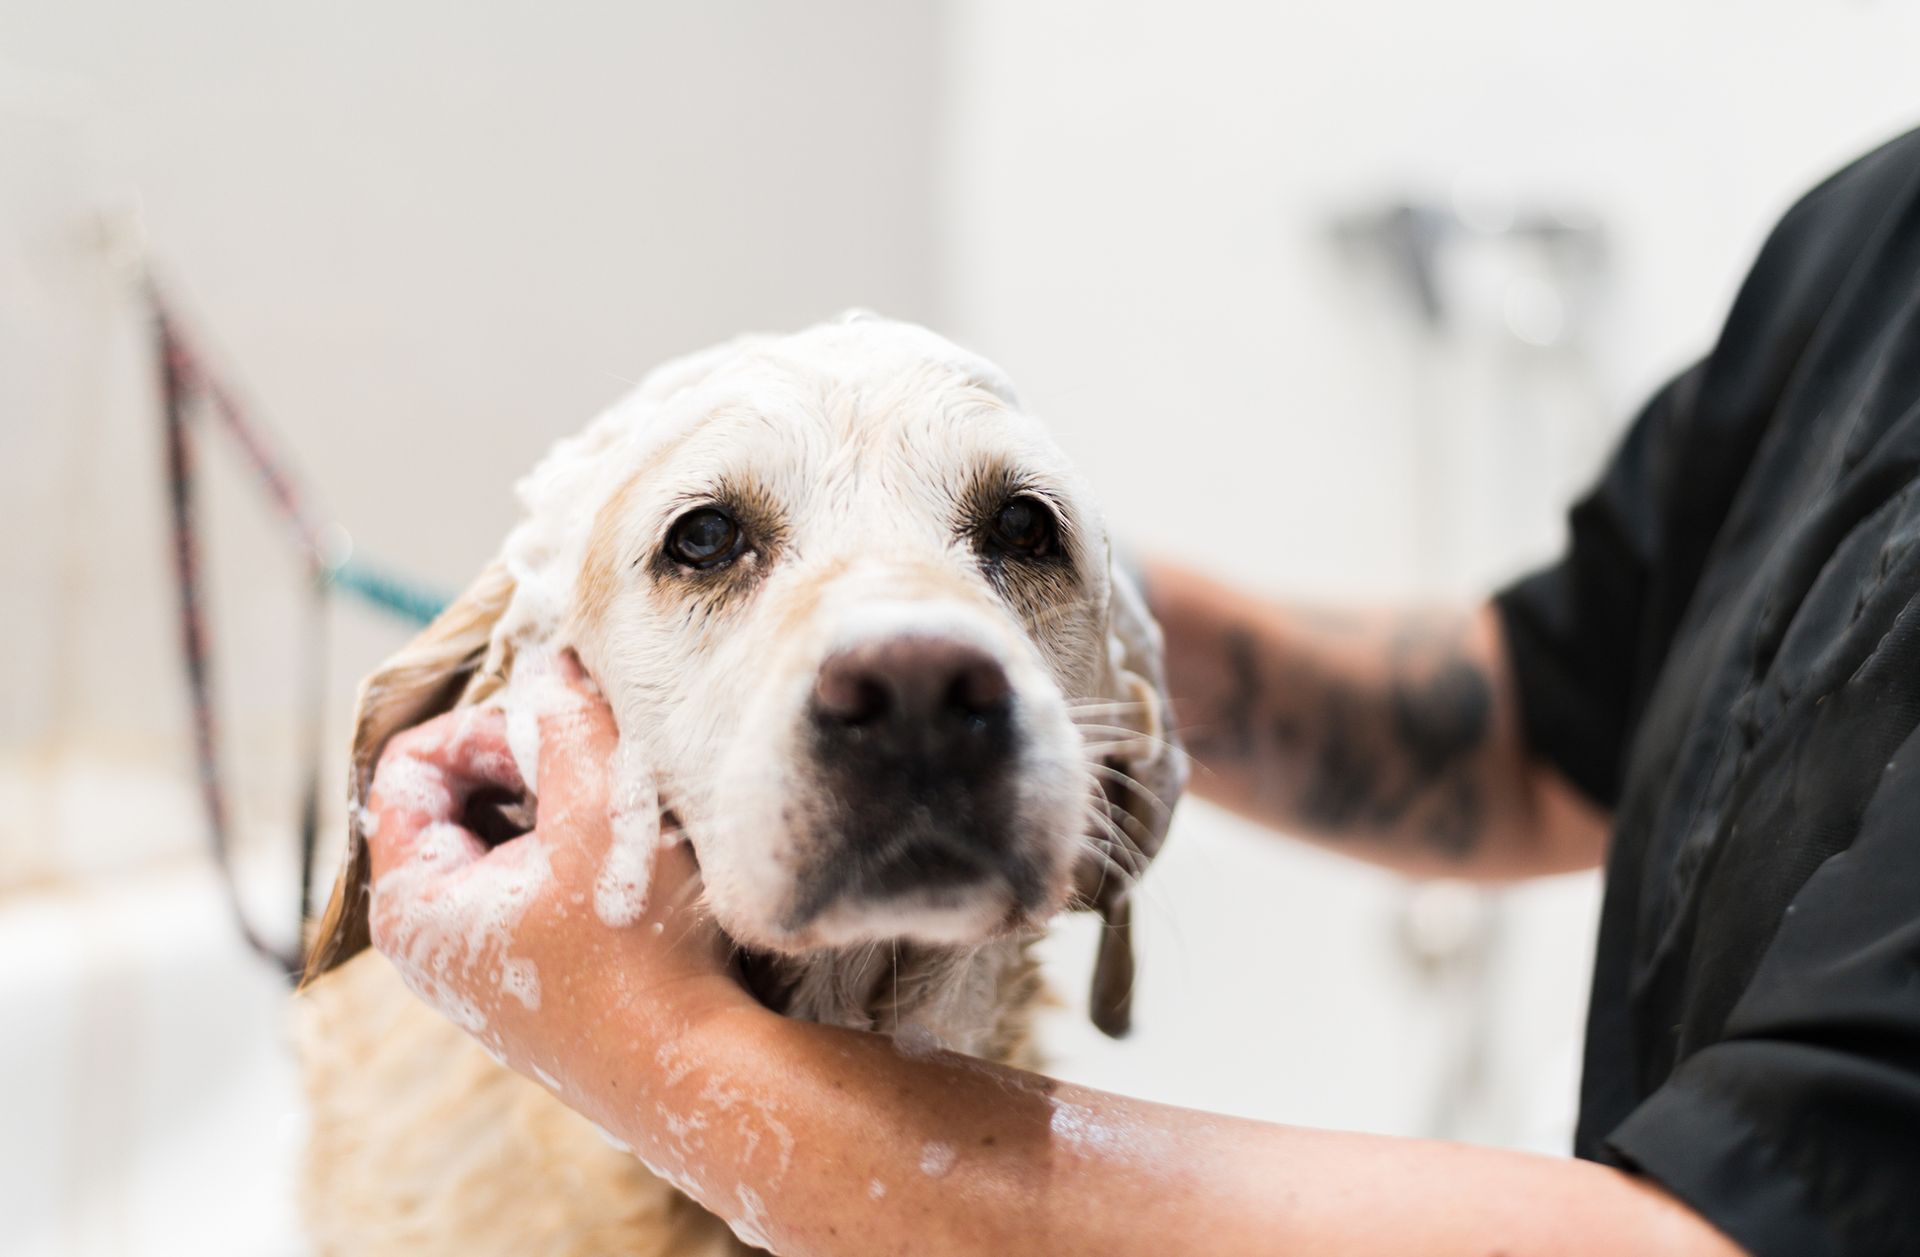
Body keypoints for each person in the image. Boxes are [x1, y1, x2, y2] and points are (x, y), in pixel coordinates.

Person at [360, 130, 1920, 1256]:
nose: (919, 661)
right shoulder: (1871, 242)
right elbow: (1530, 719)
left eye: (1011, 540)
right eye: (708, 542)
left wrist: (664, 1054)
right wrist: (1037, 602)